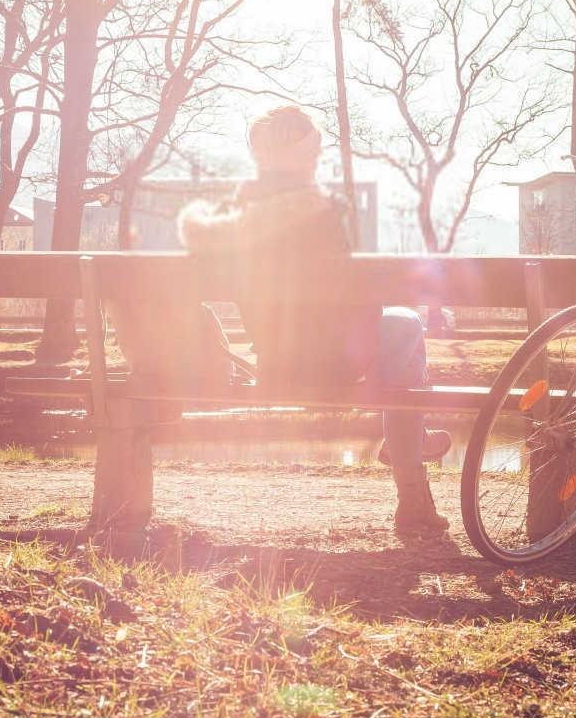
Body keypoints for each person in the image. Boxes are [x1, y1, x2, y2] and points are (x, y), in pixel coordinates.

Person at [178, 105, 452, 537]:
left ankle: (407, 442)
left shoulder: (237, 215)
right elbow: (355, 300)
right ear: (293, 155)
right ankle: (410, 470)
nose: (317, 158)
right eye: (312, 152)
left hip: (277, 364)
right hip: (330, 365)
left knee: (399, 338)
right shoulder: (321, 211)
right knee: (406, 328)